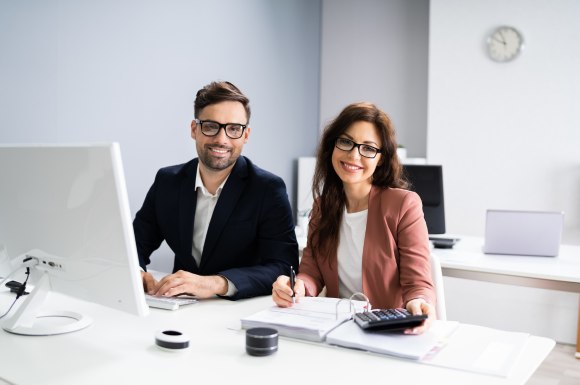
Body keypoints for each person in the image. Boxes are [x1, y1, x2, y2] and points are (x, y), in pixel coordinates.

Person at [272, 102, 435, 334]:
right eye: (346, 142)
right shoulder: (322, 207)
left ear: (380, 158)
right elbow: (311, 272)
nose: (353, 155)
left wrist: (419, 301)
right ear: (333, 146)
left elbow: (417, 283)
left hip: (388, 331)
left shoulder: (403, 205)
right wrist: (295, 286)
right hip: (340, 329)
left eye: (368, 148)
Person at [133, 80, 298, 300]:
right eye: (211, 126)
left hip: (238, 312)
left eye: (233, 129)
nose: (222, 139)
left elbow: (283, 266)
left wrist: (216, 283)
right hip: (179, 307)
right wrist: (137, 270)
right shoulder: (167, 181)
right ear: (195, 129)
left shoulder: (268, 189)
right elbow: (134, 242)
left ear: (245, 135)